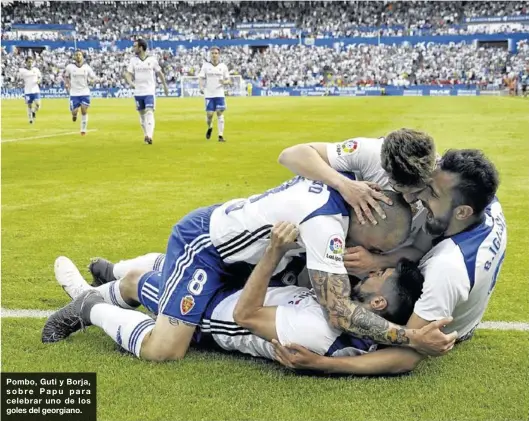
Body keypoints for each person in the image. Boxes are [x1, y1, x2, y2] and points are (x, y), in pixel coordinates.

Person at [42, 175, 452, 361]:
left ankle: (115, 277)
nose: (368, 257)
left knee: (149, 284)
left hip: (238, 264)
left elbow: (298, 155)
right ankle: (89, 305)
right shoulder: (326, 227)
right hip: (207, 248)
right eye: (377, 247)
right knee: (165, 349)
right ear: (367, 216)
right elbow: (340, 311)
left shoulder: (341, 190)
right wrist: (412, 337)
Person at [51, 222, 424, 373]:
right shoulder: (346, 312)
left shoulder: (316, 334)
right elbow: (403, 358)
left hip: (213, 316)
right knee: (174, 264)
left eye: (380, 277)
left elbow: (246, 315)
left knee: (138, 283)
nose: (372, 274)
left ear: (378, 304)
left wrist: (273, 253)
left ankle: (90, 303)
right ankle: (109, 273)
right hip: (234, 290)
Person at [272, 149, 507, 374]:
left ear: (462, 212)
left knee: (327, 325)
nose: (419, 195)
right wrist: (377, 259)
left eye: (433, 194)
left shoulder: (446, 270)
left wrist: (321, 363)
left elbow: (407, 356)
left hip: (432, 315)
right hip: (455, 293)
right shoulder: (486, 201)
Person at [278, 128, 438, 274]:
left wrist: (377, 261)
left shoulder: (445, 182)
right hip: (337, 243)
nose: (409, 199)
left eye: (418, 192)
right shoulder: (369, 153)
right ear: (384, 168)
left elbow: (421, 247)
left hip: (392, 265)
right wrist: (343, 184)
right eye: (398, 189)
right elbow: (290, 155)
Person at [124, 39, 169, 145]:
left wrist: (165, 86)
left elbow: (159, 73)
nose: (133, 48)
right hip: (138, 92)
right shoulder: (133, 61)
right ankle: (145, 134)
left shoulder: (152, 60)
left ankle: (149, 136)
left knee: (149, 111)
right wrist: (131, 83)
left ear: (141, 47)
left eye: (135, 46)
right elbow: (128, 74)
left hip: (149, 91)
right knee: (142, 115)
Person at [198, 47, 231, 142]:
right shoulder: (205, 66)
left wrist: (224, 82)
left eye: (216, 53)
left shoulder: (223, 66)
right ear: (210, 55)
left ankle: (220, 136)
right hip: (209, 94)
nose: (214, 55)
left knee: (220, 112)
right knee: (209, 115)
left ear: (219, 55)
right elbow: (201, 78)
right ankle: (210, 126)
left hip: (219, 93)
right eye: (212, 53)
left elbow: (228, 79)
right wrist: (201, 87)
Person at [64, 50, 96, 135]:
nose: (78, 56)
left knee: (84, 110)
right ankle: (74, 115)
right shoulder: (70, 67)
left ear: (82, 56)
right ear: (74, 57)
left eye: (79, 55)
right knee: (74, 112)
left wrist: (92, 81)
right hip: (74, 93)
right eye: (76, 55)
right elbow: (66, 76)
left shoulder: (87, 67)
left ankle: (83, 130)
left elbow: (93, 77)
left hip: (84, 92)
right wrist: (67, 84)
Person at [18, 56, 41, 124]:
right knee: (29, 105)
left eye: (31, 62)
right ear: (26, 62)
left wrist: (39, 81)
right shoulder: (22, 70)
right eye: (28, 62)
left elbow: (39, 77)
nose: (30, 63)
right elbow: (19, 78)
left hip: (36, 90)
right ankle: (30, 119)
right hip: (28, 91)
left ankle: (33, 111)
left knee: (38, 105)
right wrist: (21, 83)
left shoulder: (36, 70)